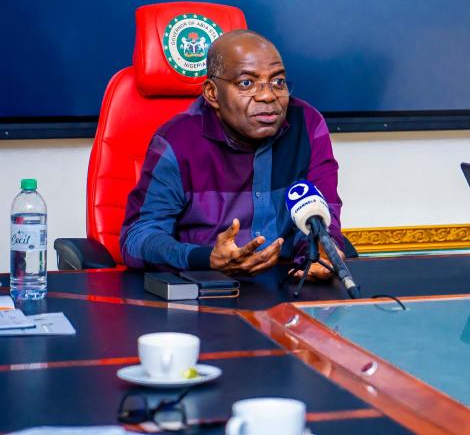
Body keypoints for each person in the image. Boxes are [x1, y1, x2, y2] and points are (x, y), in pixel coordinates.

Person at [120, 29, 345, 277]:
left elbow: (323, 214)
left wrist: (321, 252)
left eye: (278, 81)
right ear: (212, 93)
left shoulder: (308, 123)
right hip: (209, 289)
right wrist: (207, 258)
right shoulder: (176, 140)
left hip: (290, 280)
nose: (268, 95)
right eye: (246, 83)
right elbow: (138, 238)